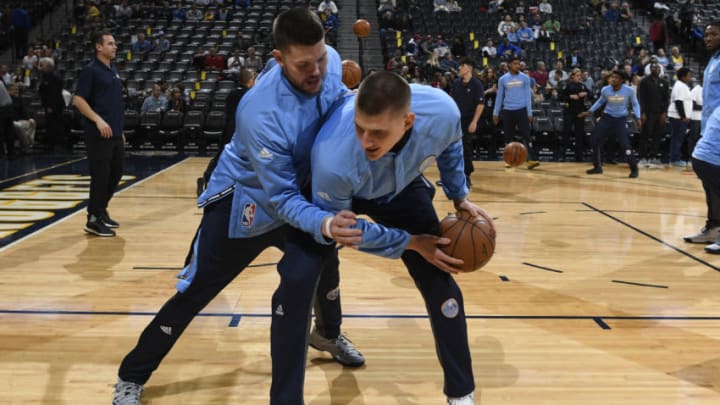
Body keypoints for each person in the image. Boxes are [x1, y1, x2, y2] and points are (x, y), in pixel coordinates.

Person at [112, 9, 364, 405]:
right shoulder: (258, 110)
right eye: (304, 65)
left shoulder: (327, 61)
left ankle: (327, 335)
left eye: (320, 58)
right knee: (196, 290)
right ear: (280, 60)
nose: (317, 70)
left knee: (325, 265)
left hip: (296, 193)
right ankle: (132, 374)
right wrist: (327, 222)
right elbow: (278, 197)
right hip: (246, 201)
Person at [311, 71, 483, 405]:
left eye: (377, 132)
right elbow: (345, 230)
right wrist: (411, 241)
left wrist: (459, 195)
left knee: (441, 280)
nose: (366, 141)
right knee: (319, 256)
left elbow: (450, 143)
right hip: (345, 189)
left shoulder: (443, 112)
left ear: (408, 121)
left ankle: (461, 394)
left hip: (400, 188)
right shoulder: (333, 158)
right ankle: (326, 334)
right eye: (361, 129)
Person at [72, 32, 125, 237]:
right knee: (100, 176)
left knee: (117, 172)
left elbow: (114, 103)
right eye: (110, 43)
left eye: (115, 43)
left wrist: (120, 131)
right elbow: (78, 100)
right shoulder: (90, 70)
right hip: (98, 133)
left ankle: (101, 210)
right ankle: (93, 219)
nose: (115, 47)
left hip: (115, 133)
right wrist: (97, 120)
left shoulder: (112, 69)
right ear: (98, 47)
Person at [683, 21, 720, 249]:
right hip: (709, 124)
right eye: (706, 34)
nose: (707, 38)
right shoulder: (714, 59)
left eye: (714, 34)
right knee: (709, 181)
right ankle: (714, 226)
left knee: (704, 165)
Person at [198, 68, 256, 196]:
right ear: (250, 80)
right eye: (254, 78)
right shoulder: (251, 94)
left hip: (228, 127)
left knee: (221, 154)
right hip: (240, 129)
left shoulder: (232, 93)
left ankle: (206, 178)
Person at [580, 70, 640, 178]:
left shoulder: (629, 91)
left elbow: (635, 104)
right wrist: (590, 111)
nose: (613, 79)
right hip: (607, 118)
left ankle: (634, 168)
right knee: (594, 140)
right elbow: (600, 101)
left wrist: (638, 117)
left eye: (616, 78)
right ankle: (597, 166)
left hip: (620, 119)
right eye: (612, 77)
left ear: (622, 80)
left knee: (625, 144)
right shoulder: (605, 89)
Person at [493, 56, 539, 169]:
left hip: (522, 110)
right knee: (508, 137)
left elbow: (528, 96)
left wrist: (529, 112)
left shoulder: (525, 78)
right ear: (509, 65)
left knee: (526, 136)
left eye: (519, 63)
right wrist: (495, 113)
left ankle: (531, 160)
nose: (517, 66)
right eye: (515, 63)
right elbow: (499, 97)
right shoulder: (502, 79)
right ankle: (508, 161)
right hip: (508, 111)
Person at [451, 58, 485, 186]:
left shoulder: (477, 84)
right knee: (453, 148)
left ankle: (466, 175)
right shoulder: (456, 83)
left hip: (468, 120)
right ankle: (453, 175)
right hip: (456, 120)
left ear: (468, 68)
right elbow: (452, 100)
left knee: (466, 147)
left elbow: (480, 104)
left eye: (462, 66)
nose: (459, 68)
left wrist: (474, 122)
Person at [637, 63, 670, 168]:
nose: (657, 69)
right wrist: (642, 112)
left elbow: (666, 99)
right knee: (645, 135)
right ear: (650, 69)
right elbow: (641, 98)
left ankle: (653, 157)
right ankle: (642, 157)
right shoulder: (644, 81)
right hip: (648, 113)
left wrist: (664, 113)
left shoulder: (664, 82)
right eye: (654, 68)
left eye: (658, 68)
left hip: (660, 113)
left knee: (657, 136)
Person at [37, 57, 67, 151]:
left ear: (49, 66)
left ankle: (54, 144)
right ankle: (51, 143)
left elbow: (54, 93)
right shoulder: (46, 75)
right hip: (49, 105)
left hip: (54, 106)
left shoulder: (54, 76)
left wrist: (51, 106)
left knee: (54, 124)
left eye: (43, 65)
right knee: (50, 124)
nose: (41, 67)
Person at [561, 68, 590, 162]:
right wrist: (570, 96)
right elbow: (560, 97)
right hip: (569, 111)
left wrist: (585, 93)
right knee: (566, 133)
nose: (579, 77)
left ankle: (579, 155)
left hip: (580, 112)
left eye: (580, 75)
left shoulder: (583, 85)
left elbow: (592, 94)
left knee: (579, 134)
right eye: (577, 75)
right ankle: (563, 154)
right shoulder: (568, 85)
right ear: (572, 76)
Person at [667, 67, 693, 167]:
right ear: (683, 76)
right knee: (677, 139)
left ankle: (676, 157)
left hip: (679, 117)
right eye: (688, 75)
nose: (690, 77)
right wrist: (683, 116)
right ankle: (674, 159)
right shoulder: (680, 86)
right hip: (678, 117)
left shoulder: (682, 85)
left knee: (678, 138)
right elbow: (678, 102)